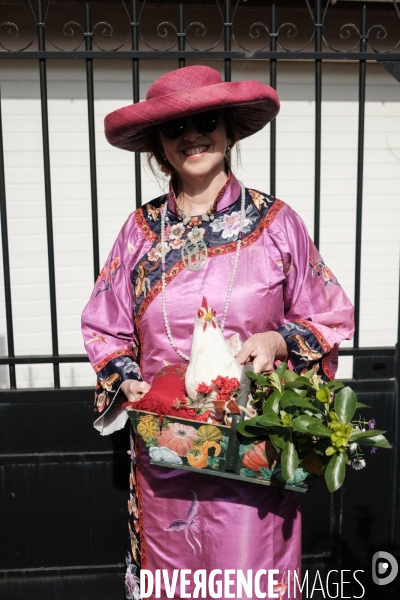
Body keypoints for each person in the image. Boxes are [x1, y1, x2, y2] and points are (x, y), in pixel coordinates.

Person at [82, 65, 354, 600]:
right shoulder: (138, 235)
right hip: (165, 456)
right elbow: (105, 329)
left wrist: (279, 342)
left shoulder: (277, 225)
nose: (192, 136)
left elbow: (328, 315)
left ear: (230, 130)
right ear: (160, 147)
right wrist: (127, 382)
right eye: (174, 128)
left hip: (251, 453)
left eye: (206, 120)